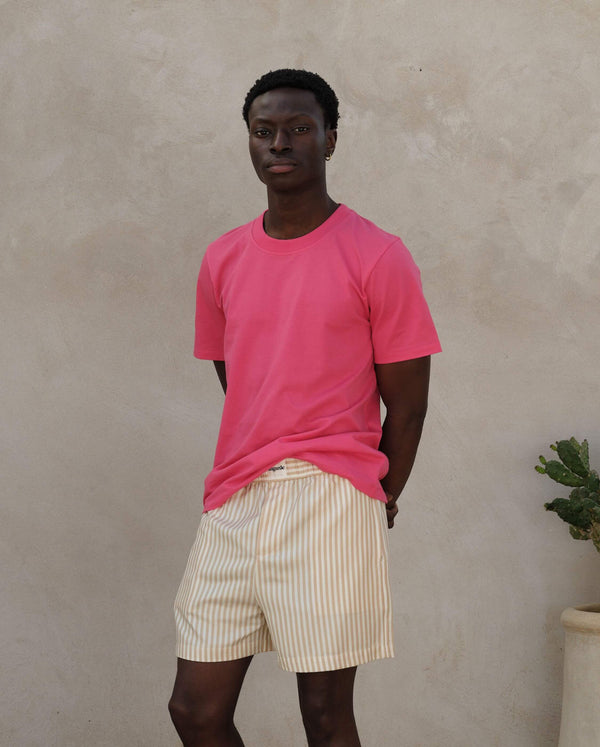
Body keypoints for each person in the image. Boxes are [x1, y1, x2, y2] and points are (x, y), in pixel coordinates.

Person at [168, 68, 441, 746]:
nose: (279, 143)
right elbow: (241, 378)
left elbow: (408, 407)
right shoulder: (222, 258)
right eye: (264, 131)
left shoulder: (377, 255)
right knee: (195, 711)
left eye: (299, 129)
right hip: (234, 496)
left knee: (323, 712)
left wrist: (377, 494)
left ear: (331, 139)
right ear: (249, 142)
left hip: (330, 496)